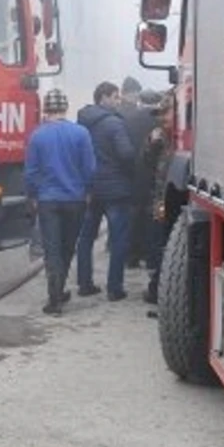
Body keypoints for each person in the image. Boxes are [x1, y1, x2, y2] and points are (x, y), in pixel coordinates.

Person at [25, 88, 96, 315]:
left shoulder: (37, 136)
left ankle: (54, 298)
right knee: (67, 247)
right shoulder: (81, 133)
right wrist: (87, 190)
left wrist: (33, 195)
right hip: (75, 199)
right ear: (65, 108)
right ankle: (60, 289)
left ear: (46, 109)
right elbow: (90, 168)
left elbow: (31, 172)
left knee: (52, 249)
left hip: (47, 200)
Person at [76, 81, 138, 301]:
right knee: (119, 239)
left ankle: (84, 284)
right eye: (115, 97)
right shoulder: (114, 124)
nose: (118, 101)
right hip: (115, 189)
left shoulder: (82, 122)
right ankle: (114, 288)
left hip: (91, 188)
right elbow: (126, 154)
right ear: (103, 97)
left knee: (85, 238)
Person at [138, 90, 176, 305]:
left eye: (165, 112)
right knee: (161, 245)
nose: (162, 118)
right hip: (162, 199)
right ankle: (156, 290)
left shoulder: (184, 137)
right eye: (159, 114)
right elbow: (147, 163)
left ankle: (158, 291)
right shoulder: (158, 136)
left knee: (166, 248)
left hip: (174, 201)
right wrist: (152, 144)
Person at [117, 78, 158, 267]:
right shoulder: (161, 119)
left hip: (134, 173)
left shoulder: (129, 119)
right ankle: (151, 257)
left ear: (141, 100)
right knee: (154, 216)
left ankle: (131, 256)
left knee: (133, 215)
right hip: (156, 175)